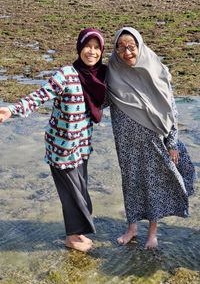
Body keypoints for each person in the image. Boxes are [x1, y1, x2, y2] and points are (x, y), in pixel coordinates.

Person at [0, 28, 107, 252]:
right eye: (88, 46)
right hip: (61, 148)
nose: (92, 52)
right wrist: (12, 110)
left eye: (97, 48)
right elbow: (41, 94)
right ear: (80, 47)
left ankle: (76, 234)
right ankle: (72, 238)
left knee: (81, 191)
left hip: (81, 147)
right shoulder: (66, 73)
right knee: (73, 195)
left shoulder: (99, 77)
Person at [105, 27, 195, 249]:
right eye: (122, 47)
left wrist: (172, 142)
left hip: (154, 140)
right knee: (131, 183)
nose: (127, 52)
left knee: (153, 185)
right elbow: (102, 100)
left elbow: (170, 109)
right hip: (126, 142)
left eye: (131, 47)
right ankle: (132, 228)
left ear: (139, 46)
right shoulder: (112, 70)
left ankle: (152, 233)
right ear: (116, 49)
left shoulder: (155, 68)